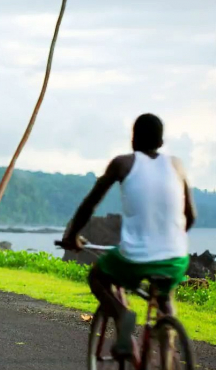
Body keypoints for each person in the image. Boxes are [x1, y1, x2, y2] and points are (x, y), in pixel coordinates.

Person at [59, 113, 197, 357]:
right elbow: (191, 216)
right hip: (176, 258)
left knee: (98, 277)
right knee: (165, 300)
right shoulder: (176, 165)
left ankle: (122, 315)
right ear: (161, 142)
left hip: (135, 258)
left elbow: (90, 204)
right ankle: (168, 365)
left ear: (133, 140)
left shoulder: (123, 163)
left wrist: (72, 236)